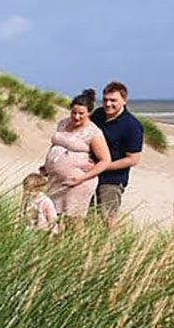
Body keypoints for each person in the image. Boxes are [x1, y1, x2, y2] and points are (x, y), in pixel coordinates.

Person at [40, 88, 111, 222]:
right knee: (53, 218)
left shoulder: (93, 132)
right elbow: (56, 145)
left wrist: (82, 178)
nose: (76, 117)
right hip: (55, 181)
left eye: (81, 114)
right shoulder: (63, 123)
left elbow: (105, 160)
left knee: (74, 220)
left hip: (77, 183)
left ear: (89, 113)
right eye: (74, 113)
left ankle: (80, 243)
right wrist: (47, 165)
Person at [90, 81, 144, 225]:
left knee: (107, 219)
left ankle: (109, 247)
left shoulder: (132, 126)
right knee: (85, 214)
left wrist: (102, 166)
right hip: (89, 175)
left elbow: (133, 159)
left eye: (113, 100)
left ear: (124, 101)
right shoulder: (98, 115)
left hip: (112, 179)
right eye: (105, 100)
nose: (108, 104)